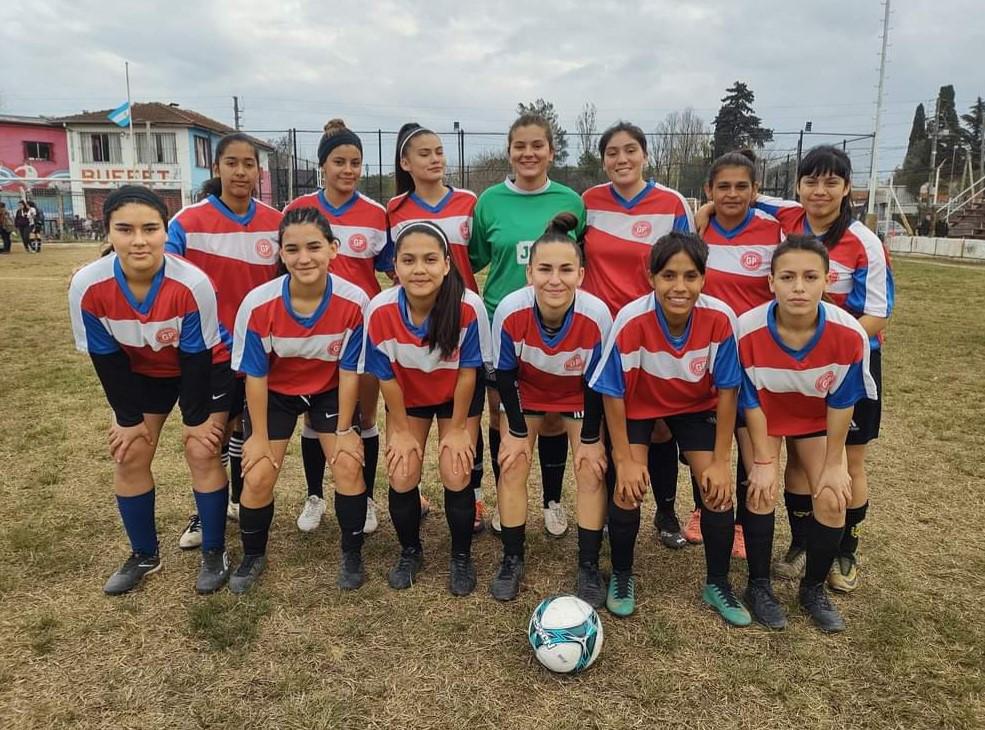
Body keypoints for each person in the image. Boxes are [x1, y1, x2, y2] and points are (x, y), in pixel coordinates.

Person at [742, 145, 894, 593]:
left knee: (847, 461)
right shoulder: (786, 217)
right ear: (798, 186)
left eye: (832, 182)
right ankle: (805, 543)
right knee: (795, 457)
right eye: (811, 181)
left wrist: (822, 344)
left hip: (847, 360)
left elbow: (878, 315)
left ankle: (846, 547)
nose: (820, 191)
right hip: (790, 360)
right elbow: (744, 196)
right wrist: (705, 209)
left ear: (848, 188)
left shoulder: (864, 242)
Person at [68, 185, 231, 595]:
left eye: (150, 229)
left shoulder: (192, 283)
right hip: (143, 371)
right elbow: (107, 360)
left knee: (202, 448)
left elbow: (197, 357)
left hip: (203, 367)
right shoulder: (87, 285)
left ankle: (214, 551)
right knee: (131, 452)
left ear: (165, 231)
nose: (139, 240)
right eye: (125, 229)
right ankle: (144, 554)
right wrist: (128, 420)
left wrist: (196, 421)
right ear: (107, 232)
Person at [590, 232, 744, 623]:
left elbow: (727, 393)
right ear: (651, 278)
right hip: (638, 407)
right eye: (669, 275)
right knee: (628, 488)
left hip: (694, 407)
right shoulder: (631, 318)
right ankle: (622, 575)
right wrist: (623, 458)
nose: (679, 287)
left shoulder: (721, 318)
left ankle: (717, 583)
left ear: (704, 278)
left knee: (716, 490)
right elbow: (612, 393)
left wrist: (722, 460)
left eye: (690, 276)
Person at [737, 234, 876, 632]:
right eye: (788, 277)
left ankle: (812, 588)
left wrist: (835, 464)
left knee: (833, 496)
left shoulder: (849, 333)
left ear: (827, 280)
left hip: (814, 416)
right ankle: (758, 585)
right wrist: (764, 461)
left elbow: (842, 402)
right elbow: (750, 400)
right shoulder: (746, 329)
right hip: (764, 413)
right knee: (760, 488)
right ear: (771, 282)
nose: (798, 287)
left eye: (810, 276)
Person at [230, 206, 369, 593]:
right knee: (256, 473)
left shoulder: (355, 301)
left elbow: (349, 370)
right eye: (292, 249)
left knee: (346, 466)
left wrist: (344, 429)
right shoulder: (258, 303)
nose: (303, 258)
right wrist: (257, 434)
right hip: (275, 393)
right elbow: (255, 376)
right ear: (280, 253)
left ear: (333, 249)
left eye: (313, 247)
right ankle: (253, 555)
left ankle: (352, 552)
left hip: (327, 390)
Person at [469, 112, 585, 538]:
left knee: (553, 417)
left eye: (538, 145)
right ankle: (506, 500)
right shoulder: (489, 202)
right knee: (501, 415)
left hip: (555, 324)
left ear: (551, 152)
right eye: (520, 145)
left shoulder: (572, 202)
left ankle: (552, 501)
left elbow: (577, 261)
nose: (529, 153)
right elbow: (476, 259)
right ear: (510, 151)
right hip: (505, 323)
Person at [582, 121, 697, 551]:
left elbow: (684, 262)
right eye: (612, 152)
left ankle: (665, 511)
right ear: (604, 160)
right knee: (615, 426)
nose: (621, 159)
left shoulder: (669, 203)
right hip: (602, 336)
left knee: (661, 426)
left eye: (630, 150)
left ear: (644, 155)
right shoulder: (588, 202)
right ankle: (618, 508)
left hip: (652, 332)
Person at [362, 222, 490, 596]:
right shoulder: (380, 309)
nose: (420, 269)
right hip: (409, 395)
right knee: (402, 472)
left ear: (448, 264)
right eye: (409, 260)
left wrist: (458, 430)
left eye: (430, 259)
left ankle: (461, 555)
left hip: (455, 395)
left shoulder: (469, 307)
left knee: (456, 469)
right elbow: (386, 377)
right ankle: (409, 551)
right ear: (395, 267)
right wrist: (399, 429)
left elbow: (469, 374)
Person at [167, 132, 283, 547]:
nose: (240, 171)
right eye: (231, 162)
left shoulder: (275, 222)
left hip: (259, 349)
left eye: (248, 164)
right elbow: (156, 265)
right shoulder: (188, 221)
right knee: (211, 433)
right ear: (216, 168)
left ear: (258, 171)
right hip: (210, 349)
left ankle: (235, 501)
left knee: (246, 426)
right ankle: (205, 512)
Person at [490, 214, 611, 605]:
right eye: (544, 269)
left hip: (577, 396)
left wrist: (591, 438)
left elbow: (596, 383)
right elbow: (505, 376)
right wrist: (517, 431)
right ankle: (512, 559)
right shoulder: (510, 311)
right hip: (528, 393)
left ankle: (589, 565)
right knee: (512, 462)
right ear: (529, 273)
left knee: (591, 470)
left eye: (565, 269)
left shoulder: (597, 315)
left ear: (581, 274)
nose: (554, 279)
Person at [285, 119, 392, 536]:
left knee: (364, 416)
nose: (348, 170)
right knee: (315, 418)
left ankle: (363, 497)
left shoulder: (375, 213)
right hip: (311, 331)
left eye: (355, 163)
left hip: (361, 332)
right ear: (322, 166)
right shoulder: (298, 211)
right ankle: (315, 495)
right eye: (339, 162)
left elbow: (392, 270)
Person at [683, 149, 785, 554]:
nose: (732, 194)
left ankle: (742, 519)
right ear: (709, 190)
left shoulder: (772, 229)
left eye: (742, 186)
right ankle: (700, 506)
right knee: (710, 430)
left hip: (756, 354)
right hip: (708, 349)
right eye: (722, 186)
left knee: (747, 430)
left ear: (755, 190)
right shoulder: (698, 232)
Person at [387, 122, 486, 533]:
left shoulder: (468, 202)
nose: (435, 159)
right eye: (424, 153)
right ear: (405, 162)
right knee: (410, 433)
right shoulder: (392, 209)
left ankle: (473, 498)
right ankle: (415, 493)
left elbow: (478, 254)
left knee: (465, 423)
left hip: (458, 324)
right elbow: (385, 262)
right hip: (413, 331)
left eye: (439, 151)